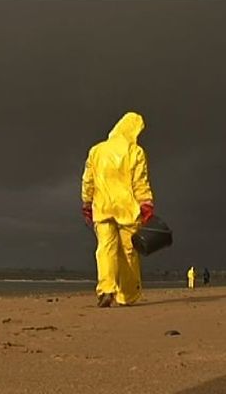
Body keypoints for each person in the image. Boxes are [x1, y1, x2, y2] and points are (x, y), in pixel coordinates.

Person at [81, 111, 155, 308]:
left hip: (102, 207)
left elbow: (88, 180)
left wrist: (87, 203)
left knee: (105, 249)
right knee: (129, 251)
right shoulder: (135, 151)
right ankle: (127, 295)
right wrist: (146, 203)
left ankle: (106, 289)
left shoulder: (96, 150)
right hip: (127, 208)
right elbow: (140, 181)